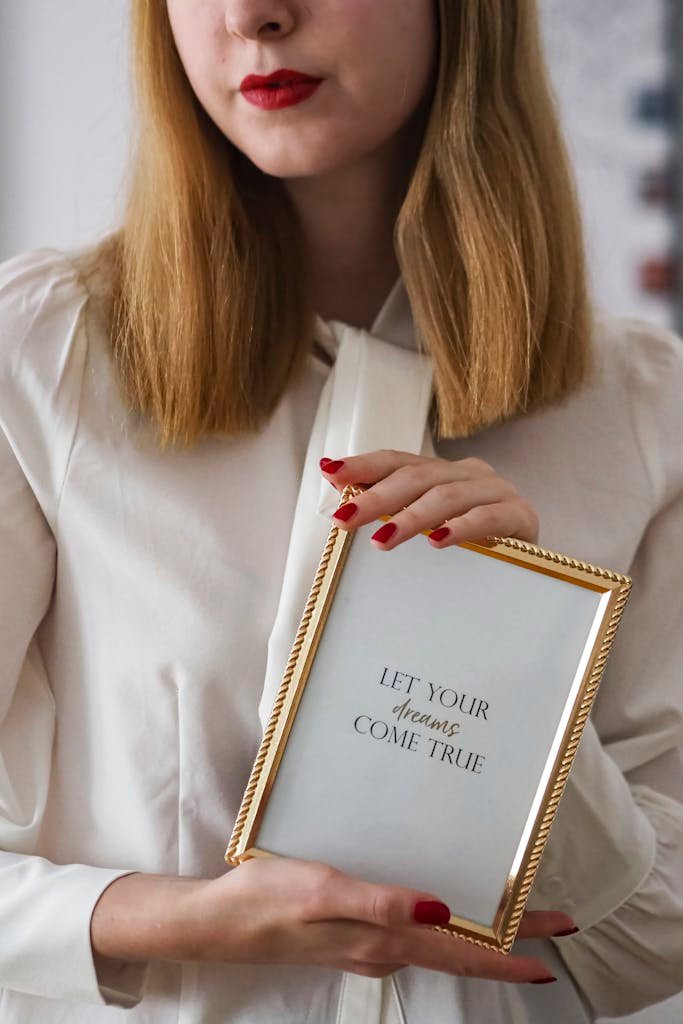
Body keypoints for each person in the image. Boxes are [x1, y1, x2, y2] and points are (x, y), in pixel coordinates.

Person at [0, 0, 681, 1021]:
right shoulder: (40, 357)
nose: (252, 16)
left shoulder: (644, 405)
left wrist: (512, 651)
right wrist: (189, 921)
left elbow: (650, 938)